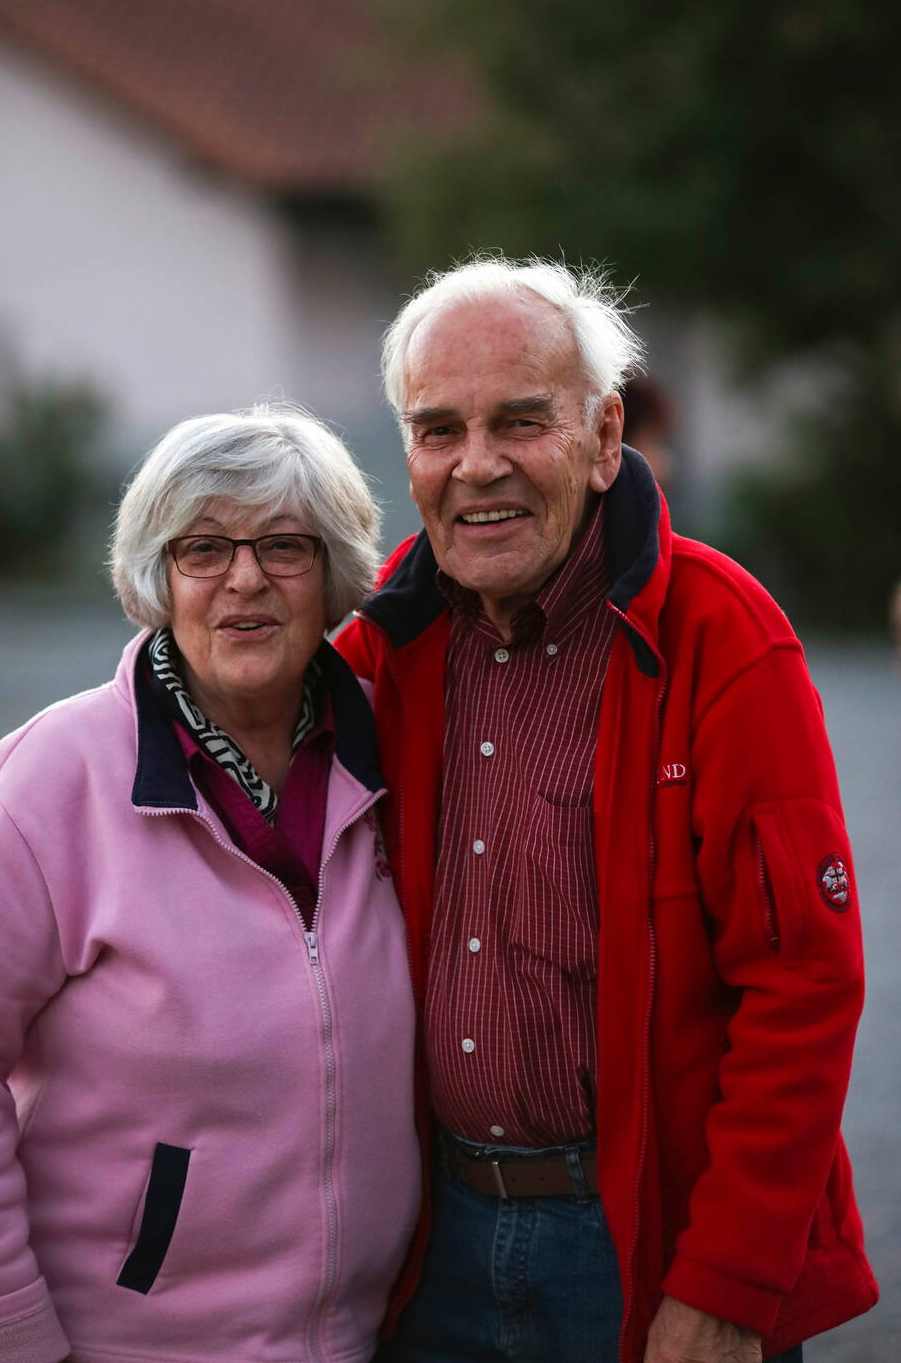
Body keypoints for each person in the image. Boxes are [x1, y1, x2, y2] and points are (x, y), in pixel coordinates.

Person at [336, 258, 877, 1363]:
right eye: (439, 430)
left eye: (522, 421)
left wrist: (724, 1288)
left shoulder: (725, 637)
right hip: (430, 1241)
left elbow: (804, 984)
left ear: (604, 436)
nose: (477, 466)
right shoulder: (381, 646)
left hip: (642, 1242)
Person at [0, 404, 420, 1363]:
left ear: (334, 576)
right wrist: (2, 1332)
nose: (245, 578)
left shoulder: (396, 751)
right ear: (158, 577)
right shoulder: (57, 776)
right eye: (203, 548)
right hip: (121, 1341)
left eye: (285, 546)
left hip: (364, 1339)